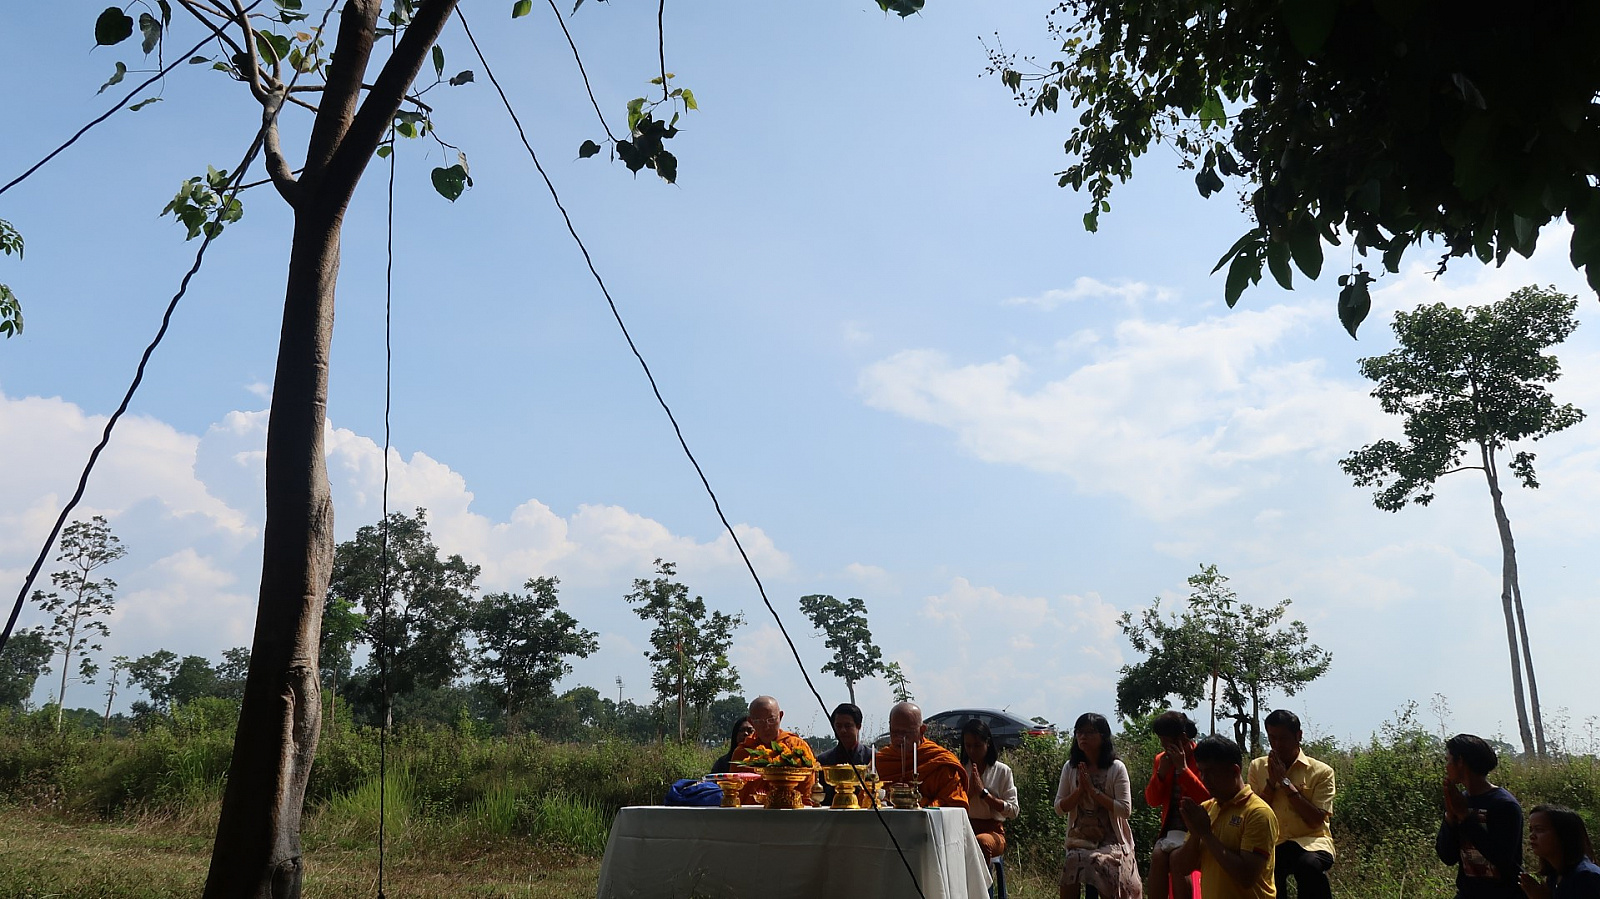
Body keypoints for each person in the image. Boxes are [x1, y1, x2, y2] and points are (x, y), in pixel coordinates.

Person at [1172, 734, 1277, 899]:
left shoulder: (1257, 813)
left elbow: (1246, 877)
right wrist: (1196, 834)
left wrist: (1206, 834)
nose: (1204, 779)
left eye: (1211, 772)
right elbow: (1183, 868)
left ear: (1234, 771)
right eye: (1201, 772)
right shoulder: (1206, 809)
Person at [1247, 710, 1336, 899]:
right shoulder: (1257, 767)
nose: (1277, 744)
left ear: (1298, 736)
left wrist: (1285, 783)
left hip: (1312, 842)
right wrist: (1271, 783)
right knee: (1266, 870)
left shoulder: (1322, 772)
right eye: (1272, 738)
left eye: (1283, 738)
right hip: (1274, 843)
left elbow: (1316, 820)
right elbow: (1254, 814)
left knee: (1309, 866)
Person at [1056, 712, 1142, 899]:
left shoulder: (1116, 768)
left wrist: (1094, 791)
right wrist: (1080, 791)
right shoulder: (1070, 768)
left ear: (1103, 736)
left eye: (1089, 732)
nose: (1083, 737)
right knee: (1072, 860)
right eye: (1079, 732)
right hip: (1080, 839)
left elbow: (1125, 810)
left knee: (1100, 862)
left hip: (1112, 840)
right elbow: (1059, 808)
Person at [1436, 733, 1522, 899]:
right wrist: (1450, 817)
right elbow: (1447, 857)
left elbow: (1502, 858)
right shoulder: (1460, 800)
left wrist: (1464, 816)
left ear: (1460, 761)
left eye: (1448, 760)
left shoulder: (1504, 805)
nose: (1446, 766)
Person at [1146, 710, 1210, 899]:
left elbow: (1207, 799)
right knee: (1158, 857)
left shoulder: (1202, 759)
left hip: (1197, 828)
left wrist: (1183, 769)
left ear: (1182, 738)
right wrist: (1160, 774)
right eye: (1162, 741)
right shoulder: (1162, 760)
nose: (1164, 746)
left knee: (1177, 860)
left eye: (1167, 741)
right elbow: (1152, 801)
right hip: (1171, 831)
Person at [874, 700, 969, 808]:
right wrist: (886, 795)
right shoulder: (881, 761)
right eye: (894, 732)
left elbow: (953, 803)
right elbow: (865, 797)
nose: (899, 739)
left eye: (905, 733)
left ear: (922, 730)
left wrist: (914, 800)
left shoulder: (940, 762)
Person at [730, 695, 818, 805]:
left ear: (780, 716)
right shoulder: (743, 752)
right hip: (752, 812)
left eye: (771, 719)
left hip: (791, 810)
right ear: (751, 721)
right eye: (759, 721)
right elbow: (737, 795)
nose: (766, 726)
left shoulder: (797, 747)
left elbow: (808, 793)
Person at [961, 717, 1020, 859]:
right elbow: (952, 805)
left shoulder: (1002, 771)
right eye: (968, 746)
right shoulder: (960, 770)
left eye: (977, 746)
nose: (972, 751)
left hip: (993, 833)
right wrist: (969, 793)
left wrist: (984, 794)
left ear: (987, 743)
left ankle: (985, 875)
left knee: (981, 842)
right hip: (964, 828)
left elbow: (1013, 811)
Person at [1521, 804, 1600, 899]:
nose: (1532, 836)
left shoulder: (1587, 878)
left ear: (1564, 835)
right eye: (1531, 830)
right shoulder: (1555, 876)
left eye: (1539, 830)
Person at [816, 702, 873, 804]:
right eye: (838, 726)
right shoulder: (823, 760)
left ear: (858, 726)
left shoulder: (871, 757)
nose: (843, 730)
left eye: (848, 726)